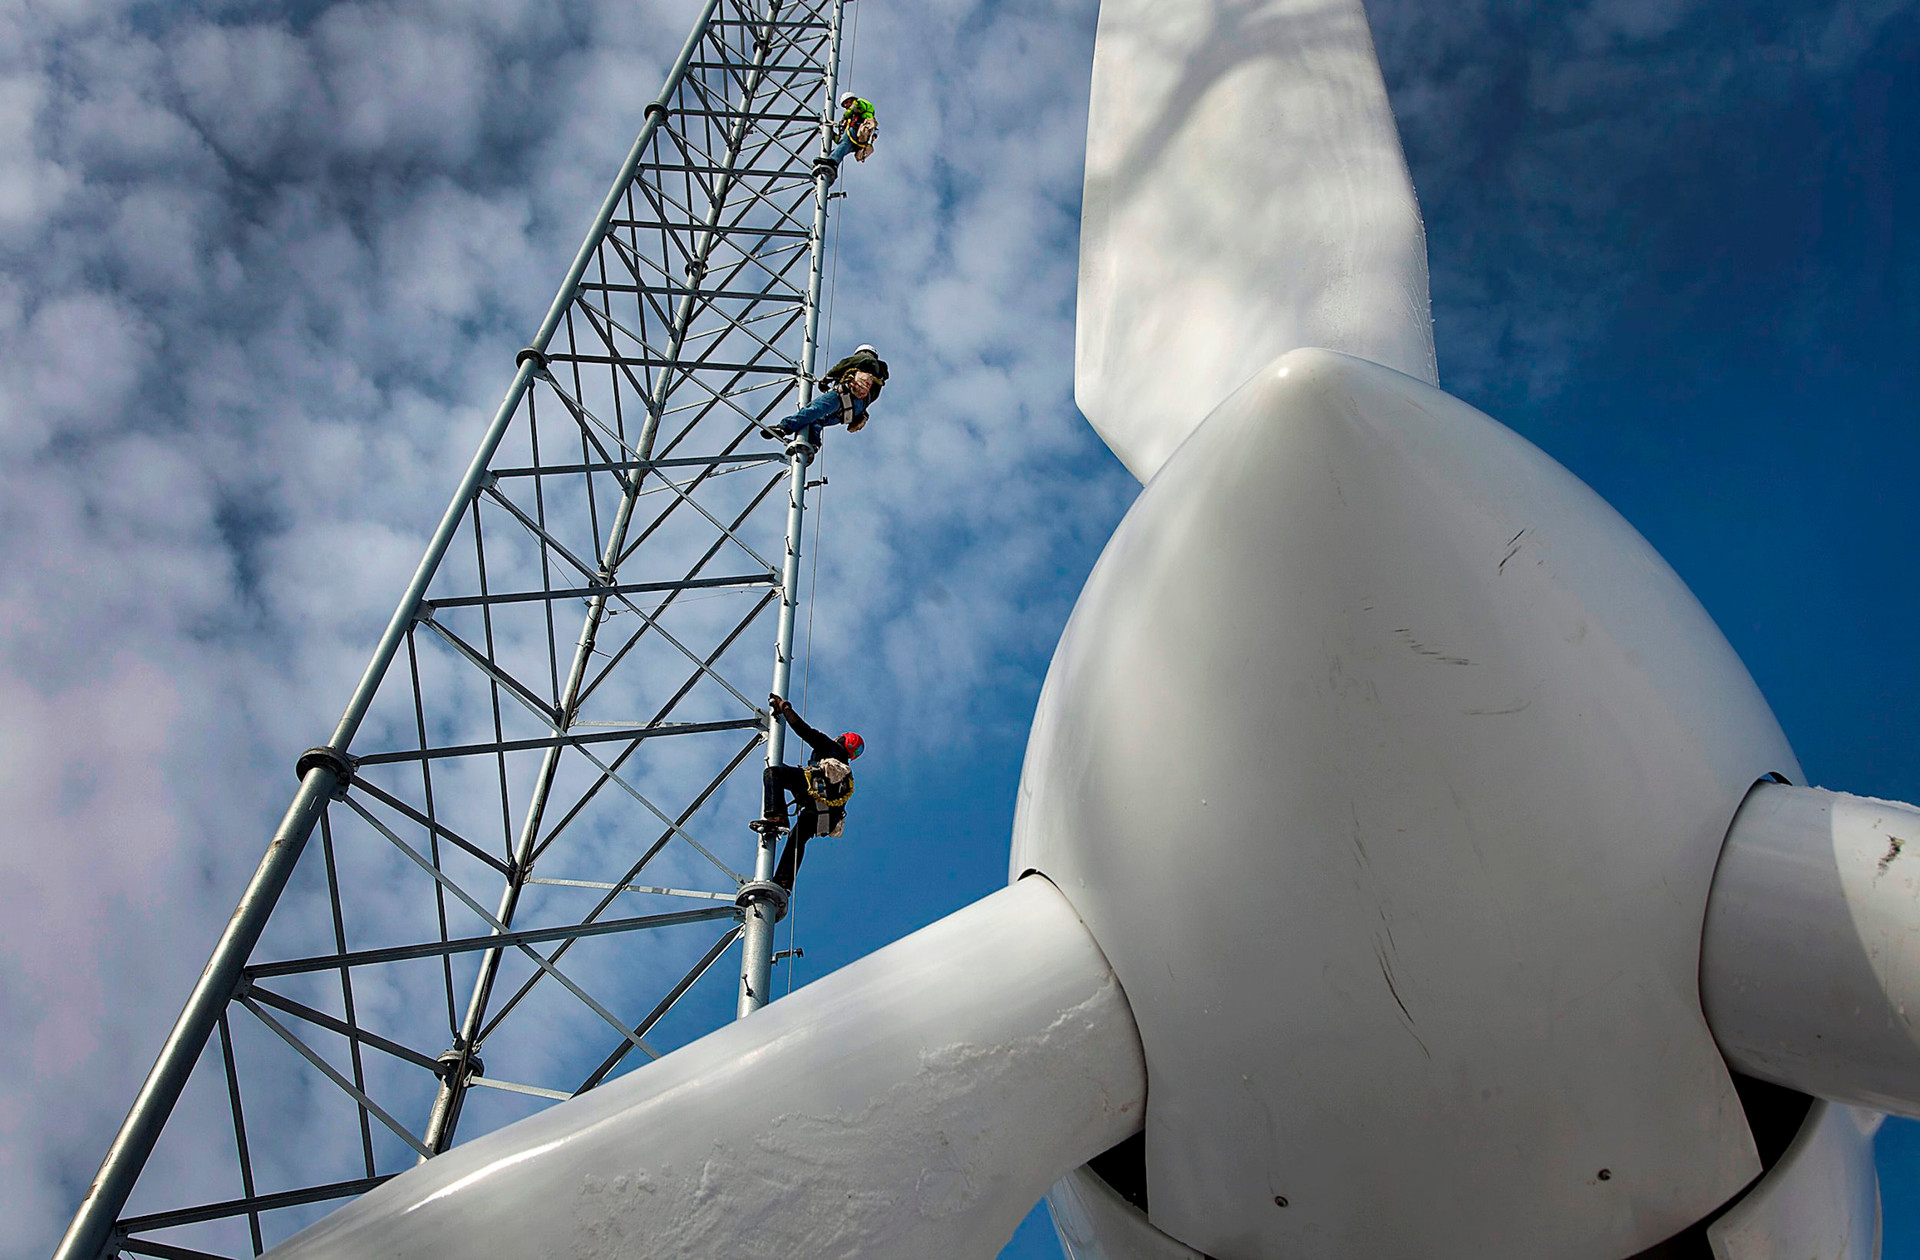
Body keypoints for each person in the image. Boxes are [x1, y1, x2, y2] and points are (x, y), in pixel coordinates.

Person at [752, 693, 864, 891]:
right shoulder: (845, 772)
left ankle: (777, 816)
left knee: (773, 773)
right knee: (798, 838)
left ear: (841, 740)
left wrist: (784, 708)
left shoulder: (830, 747)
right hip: (825, 813)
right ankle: (784, 882)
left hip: (813, 791)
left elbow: (804, 730)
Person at [769, 343, 890, 444]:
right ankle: (813, 443)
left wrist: (827, 379)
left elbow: (844, 364)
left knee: (814, 409)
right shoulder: (878, 380)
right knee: (817, 419)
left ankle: (784, 427)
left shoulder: (865, 359)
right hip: (852, 412)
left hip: (844, 394)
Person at [822, 91, 877, 174]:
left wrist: (844, 118)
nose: (846, 106)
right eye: (844, 105)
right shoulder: (850, 120)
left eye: (847, 102)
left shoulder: (860, 103)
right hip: (856, 141)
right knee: (841, 148)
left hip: (858, 131)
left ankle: (832, 161)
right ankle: (831, 165)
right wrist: (831, 134)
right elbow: (840, 141)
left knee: (844, 144)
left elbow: (854, 107)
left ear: (853, 99)